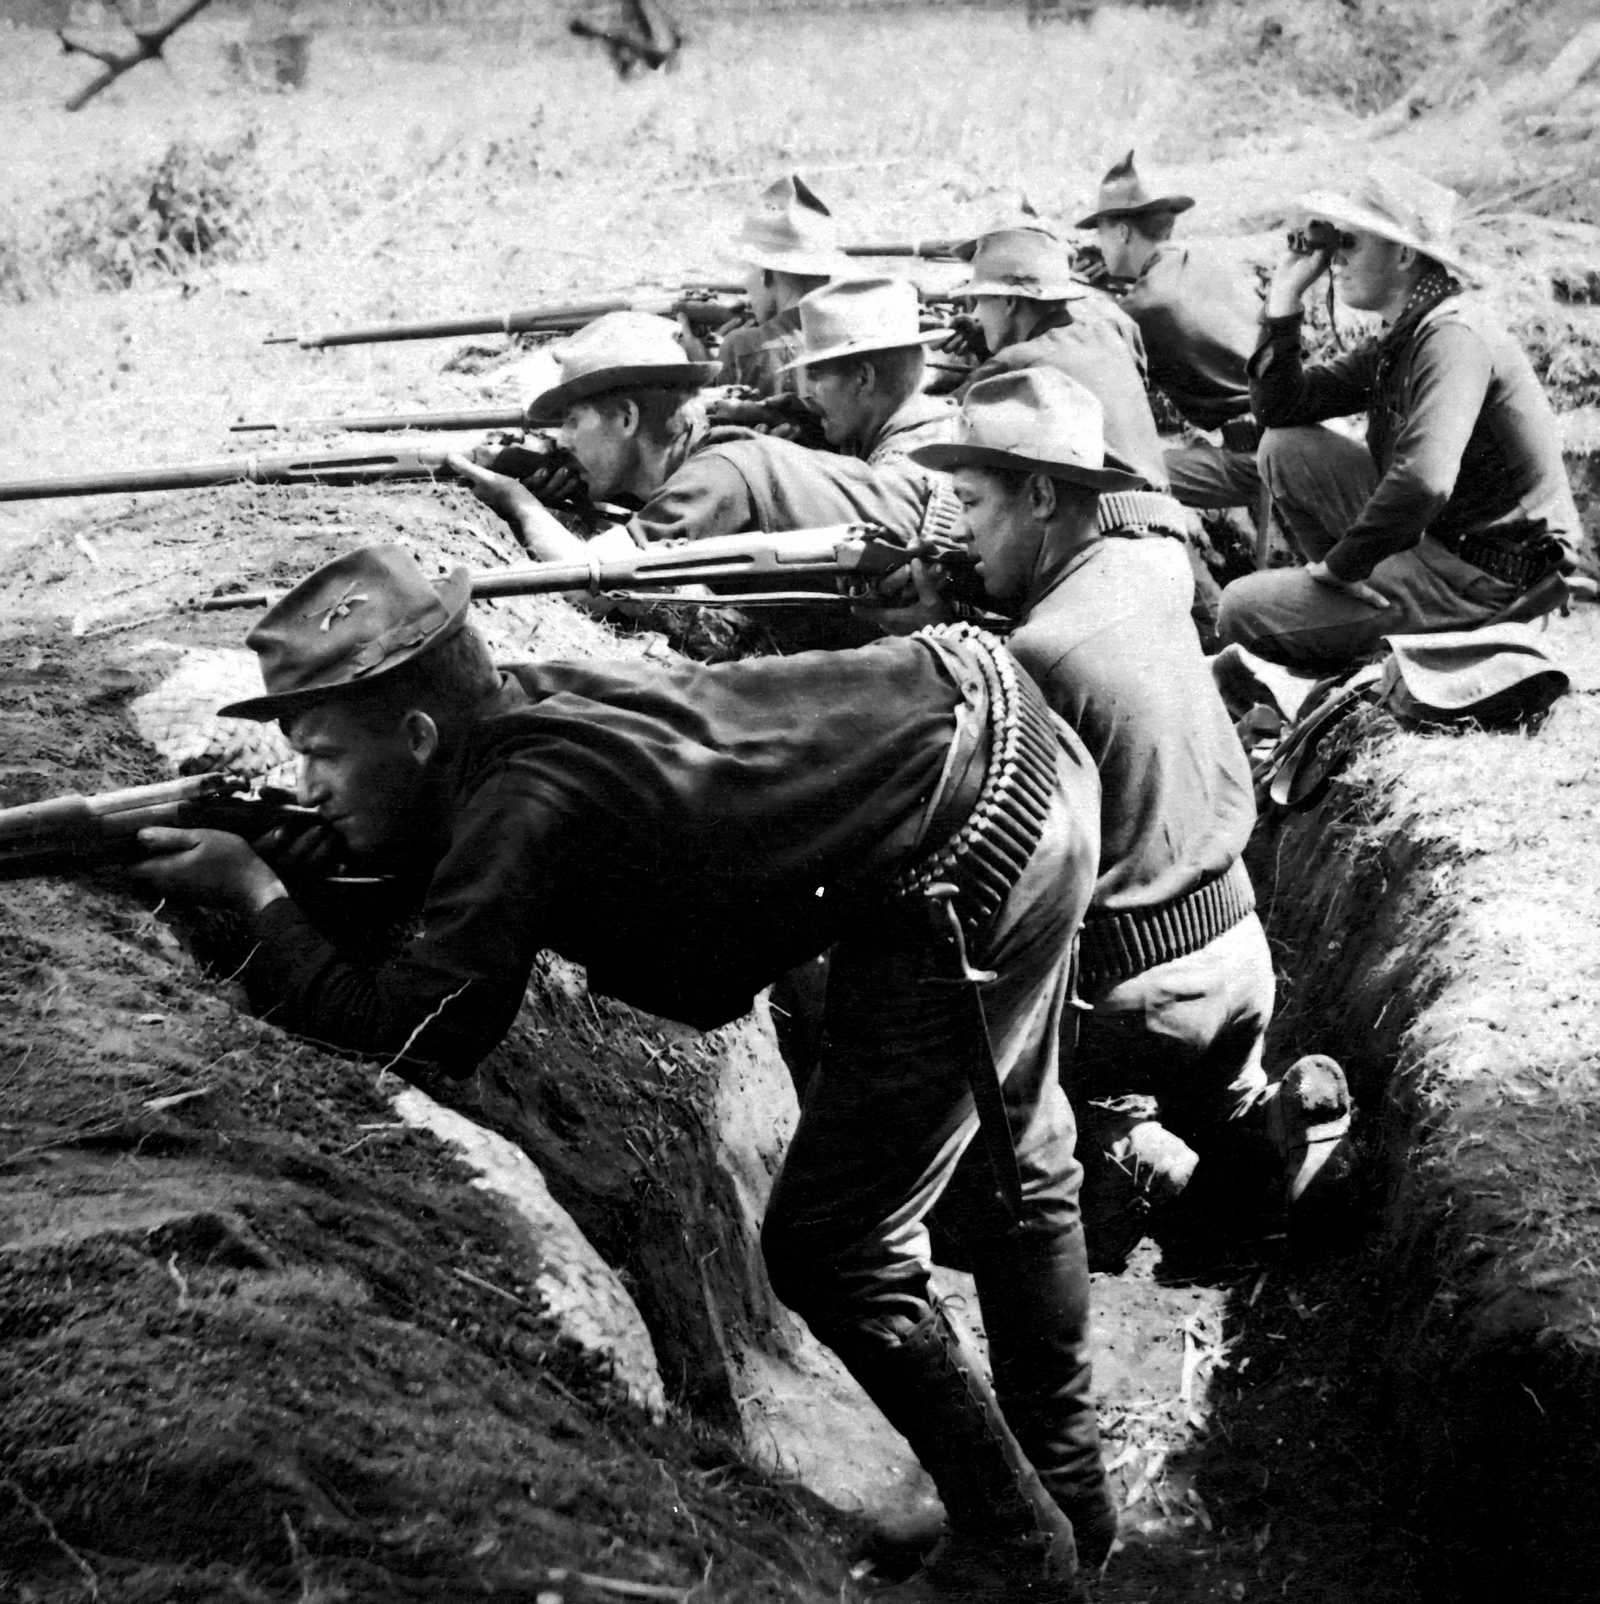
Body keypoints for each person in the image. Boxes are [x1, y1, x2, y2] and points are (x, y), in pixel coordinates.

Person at [129, 540, 1115, 1600]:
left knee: (834, 1246)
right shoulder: (515, 715)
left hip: (973, 843)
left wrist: (255, 895)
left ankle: (1018, 1538)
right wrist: (286, 845)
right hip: (1003, 737)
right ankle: (1066, 1488)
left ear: (417, 733)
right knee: (1005, 1140)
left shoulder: (528, 796)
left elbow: (414, 1024)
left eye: (319, 754)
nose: (309, 783)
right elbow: (441, 866)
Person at [909, 368, 1352, 1268]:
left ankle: (1154, 1176)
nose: (959, 532)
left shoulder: (1036, 656)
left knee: (969, 1167)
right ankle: (1266, 1137)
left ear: (1040, 494)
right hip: (1236, 956)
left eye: (972, 504)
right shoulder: (1144, 570)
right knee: (1223, 1092)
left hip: (1129, 997)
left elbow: (986, 842)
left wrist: (932, 644)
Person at [1217, 162, 1581, 674]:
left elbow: (1425, 482)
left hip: (1491, 578)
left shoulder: (1452, 337)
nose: (1333, 258)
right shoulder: (1407, 335)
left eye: (1349, 242)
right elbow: (1282, 407)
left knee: (1241, 608)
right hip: (1442, 542)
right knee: (1285, 445)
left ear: (1405, 254)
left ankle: (1341, 604)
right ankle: (1343, 604)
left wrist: (1343, 565)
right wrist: (1284, 300)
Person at [446, 311, 959, 651]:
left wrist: (518, 503)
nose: (564, 439)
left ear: (627, 419)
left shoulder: (717, 476)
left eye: (575, 421)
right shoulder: (723, 457)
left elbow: (588, 584)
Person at [1076, 150, 1263, 512]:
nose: (1099, 245)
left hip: (1250, 462)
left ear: (1123, 232)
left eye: (1101, 235)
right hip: (1282, 438)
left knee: (1095, 476)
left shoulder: (1146, 307)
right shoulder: (1207, 262)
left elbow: (1085, 358)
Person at [782, 276, 957, 466]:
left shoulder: (903, 465)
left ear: (863, 379)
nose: (808, 392)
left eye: (814, 375)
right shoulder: (924, 433)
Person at [716, 174, 852, 399]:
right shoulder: (855, 335)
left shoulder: (740, 346)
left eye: (750, 268)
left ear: (766, 275)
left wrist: (704, 366)